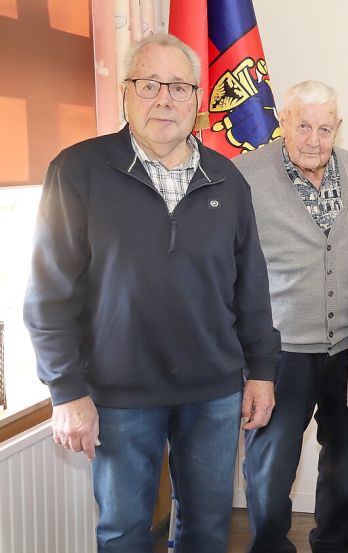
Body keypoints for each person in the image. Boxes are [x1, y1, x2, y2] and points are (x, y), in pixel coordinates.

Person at [23, 33, 279, 552]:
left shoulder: (227, 179)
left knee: (207, 529)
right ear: (125, 91)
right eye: (149, 84)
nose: (165, 99)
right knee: (122, 532)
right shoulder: (77, 171)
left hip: (213, 392)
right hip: (118, 393)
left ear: (197, 99)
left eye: (179, 87)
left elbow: (251, 287)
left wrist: (262, 372)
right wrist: (66, 391)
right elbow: (49, 296)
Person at [234, 80, 348, 553]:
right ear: (282, 121)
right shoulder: (244, 176)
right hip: (280, 351)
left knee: (344, 462)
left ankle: (334, 545)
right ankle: (269, 546)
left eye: (324, 128)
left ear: (338, 127)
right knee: (271, 466)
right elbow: (228, 266)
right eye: (302, 126)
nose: (313, 140)